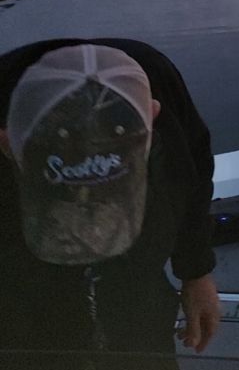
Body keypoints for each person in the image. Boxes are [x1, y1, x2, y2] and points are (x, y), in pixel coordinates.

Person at [0, 38, 220, 369]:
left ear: (151, 117)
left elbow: (194, 174)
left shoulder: (158, 80)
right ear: (8, 146)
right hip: (24, 305)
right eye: (68, 200)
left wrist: (196, 273)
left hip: (139, 296)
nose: (91, 219)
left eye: (113, 188)